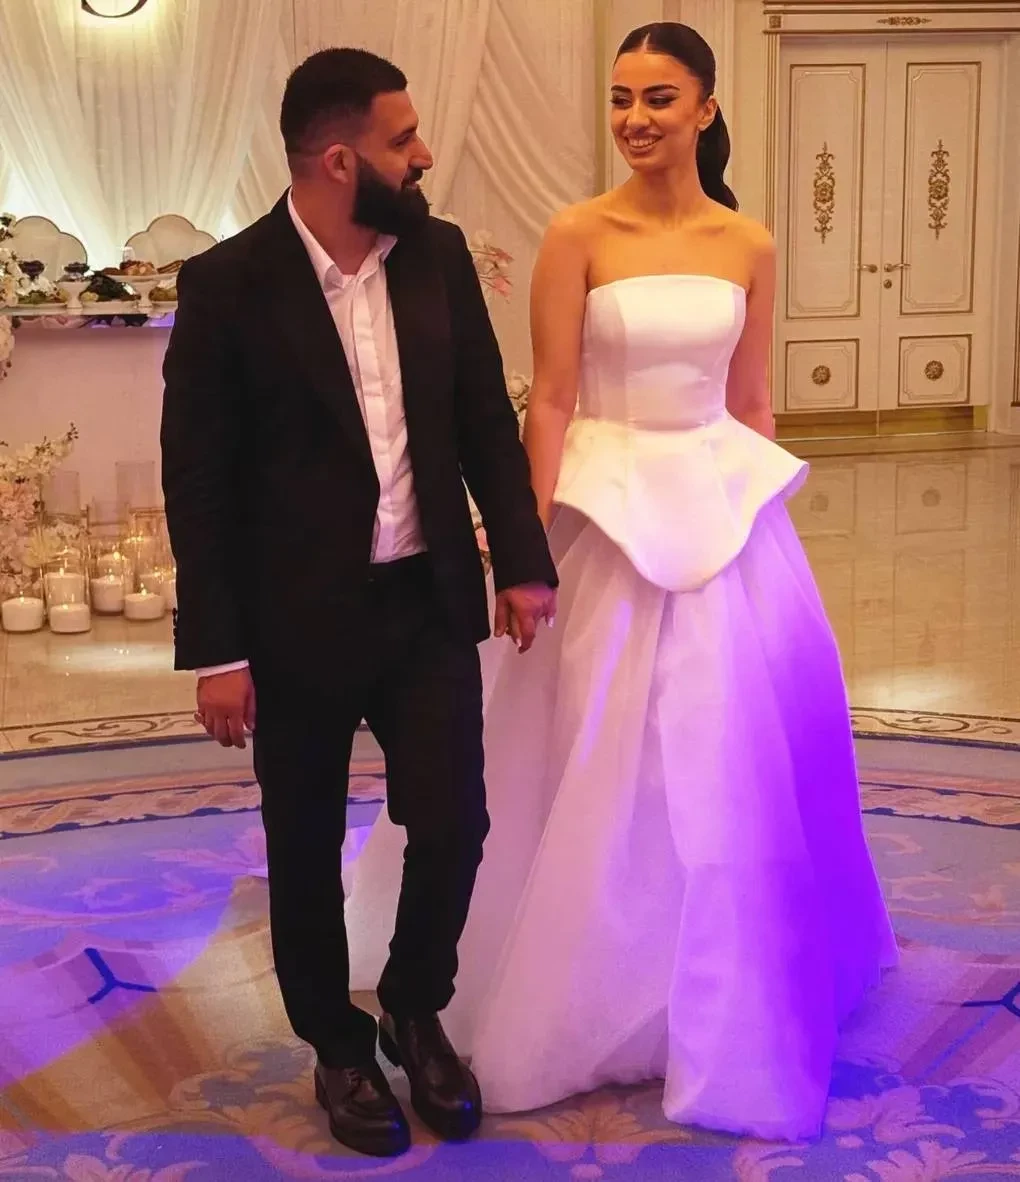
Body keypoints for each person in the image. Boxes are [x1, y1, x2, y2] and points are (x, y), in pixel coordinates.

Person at [346, 23, 898, 1142]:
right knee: (587, 749)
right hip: (603, 513)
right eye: (621, 99)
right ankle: (561, 984)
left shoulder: (749, 241)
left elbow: (751, 399)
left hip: (722, 514)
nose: (635, 119)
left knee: (727, 755)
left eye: (658, 98)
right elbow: (550, 397)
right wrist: (528, 544)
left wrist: (761, 515)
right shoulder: (577, 232)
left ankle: (718, 991)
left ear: (704, 108)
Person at [160, 47, 557, 1159]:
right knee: (302, 844)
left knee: (457, 819)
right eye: (401, 138)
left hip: (425, 602)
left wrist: (523, 562)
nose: (422, 154)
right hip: (293, 624)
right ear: (340, 161)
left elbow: (482, 420)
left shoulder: (435, 254)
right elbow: (197, 480)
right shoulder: (229, 285)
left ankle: (414, 1008)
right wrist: (217, 650)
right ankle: (336, 1045)